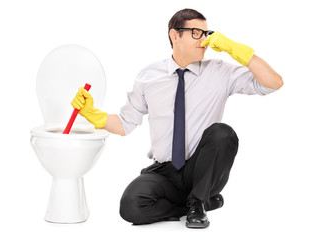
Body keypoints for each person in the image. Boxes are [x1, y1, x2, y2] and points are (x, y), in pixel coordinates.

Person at [71, 8, 283, 228]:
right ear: (175, 35)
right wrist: (93, 114)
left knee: (223, 133)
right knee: (131, 207)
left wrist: (236, 49)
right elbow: (125, 124)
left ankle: (199, 199)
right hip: (164, 172)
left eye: (207, 33)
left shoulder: (221, 72)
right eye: (196, 33)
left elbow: (273, 83)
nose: (205, 40)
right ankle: (195, 204)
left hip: (202, 170)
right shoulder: (149, 77)